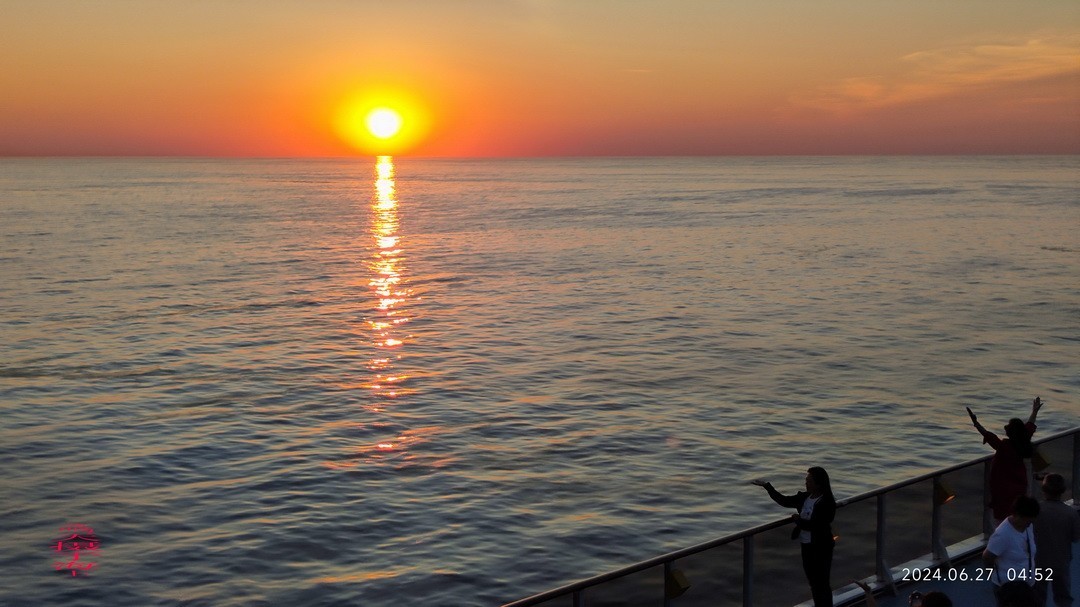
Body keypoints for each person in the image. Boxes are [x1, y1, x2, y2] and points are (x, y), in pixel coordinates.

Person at [752, 467, 836, 607]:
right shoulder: (804, 498)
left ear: (818, 483)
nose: (806, 483)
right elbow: (784, 501)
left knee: (822, 583)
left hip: (822, 546)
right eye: (806, 480)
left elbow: (817, 525)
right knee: (813, 583)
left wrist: (798, 520)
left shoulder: (826, 502)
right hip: (807, 546)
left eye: (809, 481)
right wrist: (768, 487)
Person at [967, 397, 1043, 523]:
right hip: (1020, 487)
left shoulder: (1004, 447)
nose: (1005, 426)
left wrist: (976, 422)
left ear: (1011, 432)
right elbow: (1030, 425)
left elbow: (987, 435)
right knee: (1019, 515)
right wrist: (1035, 411)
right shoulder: (1023, 441)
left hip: (1003, 490)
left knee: (1003, 519)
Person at [1032, 473, 1080, 607]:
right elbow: (1076, 538)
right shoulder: (1071, 513)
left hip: (1039, 561)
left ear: (1044, 490)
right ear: (1062, 490)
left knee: (1037, 597)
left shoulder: (1036, 510)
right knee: (1063, 598)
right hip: (1061, 562)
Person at [985, 495, 1041, 605]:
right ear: (1018, 516)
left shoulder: (1027, 526)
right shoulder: (1002, 535)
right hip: (1009, 589)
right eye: (1028, 521)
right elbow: (987, 556)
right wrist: (993, 574)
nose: (1030, 525)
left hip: (1027, 585)